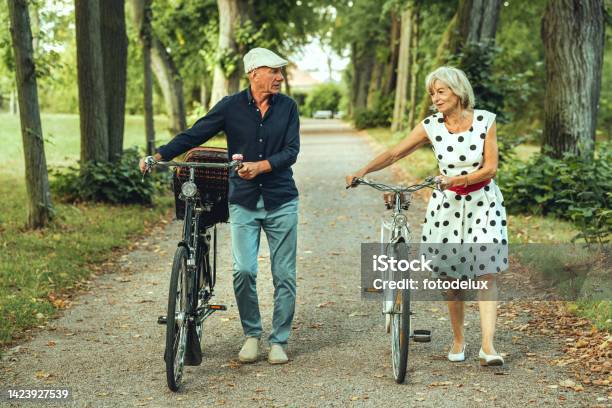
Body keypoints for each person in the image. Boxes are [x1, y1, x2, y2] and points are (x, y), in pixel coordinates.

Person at [139, 47, 300, 365]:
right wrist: (158, 155)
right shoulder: (231, 107)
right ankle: (252, 335)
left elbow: (292, 151)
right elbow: (195, 134)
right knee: (243, 271)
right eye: (274, 71)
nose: (280, 77)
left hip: (282, 200)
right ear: (255, 73)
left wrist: (261, 166)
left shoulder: (288, 108)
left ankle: (278, 340)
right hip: (243, 200)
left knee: (284, 275)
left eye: (281, 72)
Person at [346, 66, 507, 366]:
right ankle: (458, 338)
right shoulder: (431, 126)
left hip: (482, 203)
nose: (435, 97)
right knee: (450, 277)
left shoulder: (485, 121)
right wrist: (362, 170)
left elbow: (490, 169)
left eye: (441, 91)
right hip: (446, 207)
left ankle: (488, 346)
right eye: (432, 93)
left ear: (458, 91)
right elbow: (394, 153)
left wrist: (456, 181)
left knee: (486, 272)